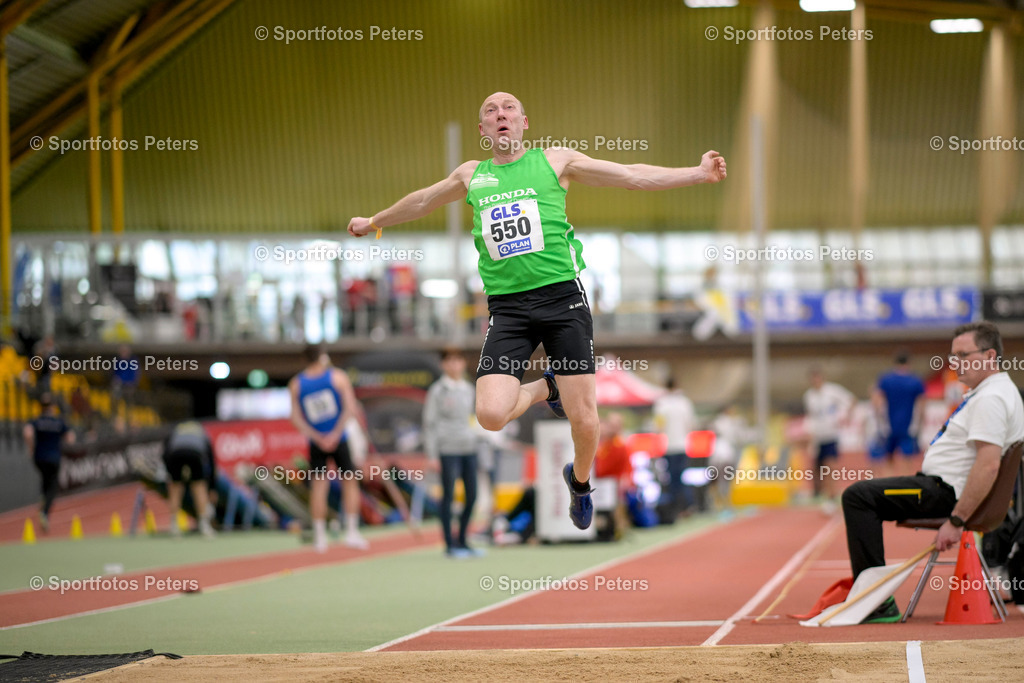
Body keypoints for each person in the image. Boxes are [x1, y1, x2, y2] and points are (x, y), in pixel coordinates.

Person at [348, 92, 727, 529]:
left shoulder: (555, 161)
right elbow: (421, 201)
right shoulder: (473, 175)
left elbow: (630, 175)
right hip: (507, 310)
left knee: (585, 418)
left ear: (524, 122)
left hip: (562, 299)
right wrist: (374, 221)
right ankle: (547, 389)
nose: (500, 115)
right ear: (483, 130)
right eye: (491, 111)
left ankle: (580, 484)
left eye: (508, 109)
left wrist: (696, 173)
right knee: (490, 415)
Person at [842, 322, 1024, 623]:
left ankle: (874, 601)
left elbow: (989, 464)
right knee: (865, 492)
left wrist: (957, 520)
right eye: (953, 356)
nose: (954, 363)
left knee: (858, 496)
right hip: (940, 487)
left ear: (990, 355)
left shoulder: (991, 398)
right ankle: (872, 595)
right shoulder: (999, 391)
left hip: (944, 493)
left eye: (963, 355)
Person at [289, 343, 367, 552]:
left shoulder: (296, 383)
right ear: (323, 357)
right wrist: (334, 434)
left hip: (319, 441)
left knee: (319, 486)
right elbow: (350, 408)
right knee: (349, 483)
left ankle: (320, 536)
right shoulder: (337, 377)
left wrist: (317, 437)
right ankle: (351, 531)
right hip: (338, 438)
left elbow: (295, 418)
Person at [422, 347, 483, 558]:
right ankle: (449, 544)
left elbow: (474, 418)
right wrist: (432, 455)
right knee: (448, 496)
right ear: (443, 365)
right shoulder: (437, 391)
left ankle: (463, 540)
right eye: (449, 361)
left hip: (469, 447)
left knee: (472, 495)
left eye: (458, 360)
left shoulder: (469, 389)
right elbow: (429, 424)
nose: (454, 365)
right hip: (447, 449)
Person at [803, 367, 856, 510]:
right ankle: (823, 494)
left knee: (830, 467)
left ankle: (832, 497)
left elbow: (851, 400)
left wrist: (846, 418)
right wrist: (809, 433)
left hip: (831, 435)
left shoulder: (832, 391)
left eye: (817, 378)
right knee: (818, 470)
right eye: (813, 379)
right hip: (817, 437)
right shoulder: (809, 396)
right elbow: (810, 417)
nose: (815, 381)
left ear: (822, 378)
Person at [22, 392, 75, 532]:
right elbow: (71, 438)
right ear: (52, 406)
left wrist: (31, 448)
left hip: (39, 458)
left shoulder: (36, 421)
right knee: (53, 485)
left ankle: (42, 498)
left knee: (45, 479)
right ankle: (45, 512)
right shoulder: (58, 422)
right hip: (54, 457)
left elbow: (27, 433)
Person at [871, 349, 925, 476]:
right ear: (909, 362)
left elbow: (877, 401)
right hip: (908, 425)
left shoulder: (886, 379)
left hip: (889, 425)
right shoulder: (915, 380)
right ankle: (905, 487)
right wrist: (920, 424)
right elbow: (922, 404)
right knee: (907, 458)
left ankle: (888, 485)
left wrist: (879, 420)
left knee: (888, 458)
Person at [162, 420, 216, 538]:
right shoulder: (202, 431)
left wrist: (169, 473)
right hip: (194, 453)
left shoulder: (178, 429)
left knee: (176, 487)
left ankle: (173, 525)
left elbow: (165, 450)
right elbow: (211, 461)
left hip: (175, 454)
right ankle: (204, 525)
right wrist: (212, 487)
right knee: (198, 486)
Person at [653, 377, 697, 517]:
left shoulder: (661, 404)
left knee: (671, 478)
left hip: (669, 446)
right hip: (682, 445)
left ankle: (674, 508)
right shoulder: (684, 403)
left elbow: (658, 426)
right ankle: (687, 505)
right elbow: (690, 424)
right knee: (681, 477)